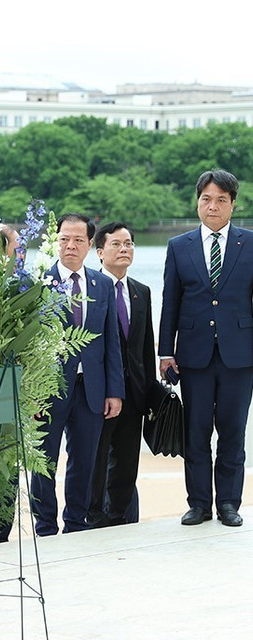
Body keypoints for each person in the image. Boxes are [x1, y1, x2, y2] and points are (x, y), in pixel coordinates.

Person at [159, 169, 253, 528]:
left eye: (221, 200)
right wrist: (165, 351)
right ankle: (198, 504)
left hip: (239, 356)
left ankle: (228, 502)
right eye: (206, 199)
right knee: (195, 433)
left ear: (233, 204)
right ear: (197, 202)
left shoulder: (250, 243)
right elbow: (171, 301)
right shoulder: (178, 246)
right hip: (193, 356)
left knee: (232, 432)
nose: (213, 206)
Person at [30, 213, 124, 536]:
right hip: (48, 389)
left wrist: (115, 391)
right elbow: (28, 344)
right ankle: (44, 525)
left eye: (78, 240)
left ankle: (75, 522)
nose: (70, 245)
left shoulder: (102, 284)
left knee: (85, 460)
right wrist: (30, 394)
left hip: (92, 388)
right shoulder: (38, 283)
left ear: (89, 244)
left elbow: (111, 341)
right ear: (55, 242)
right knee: (44, 459)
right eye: (64, 239)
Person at [88, 222, 156, 527]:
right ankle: (93, 517)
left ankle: (119, 518)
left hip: (134, 392)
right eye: (116, 244)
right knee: (97, 458)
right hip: (100, 391)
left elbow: (145, 347)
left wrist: (151, 391)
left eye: (128, 244)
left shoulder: (142, 291)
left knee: (127, 461)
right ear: (100, 252)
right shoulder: (90, 289)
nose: (124, 249)